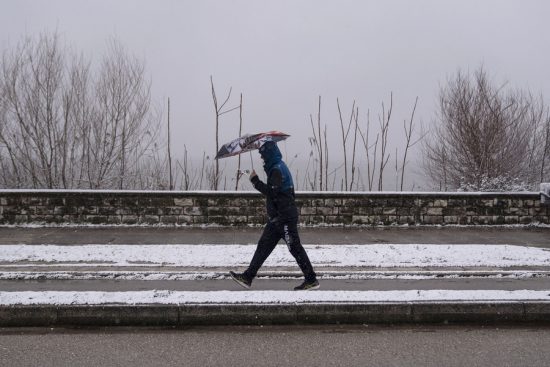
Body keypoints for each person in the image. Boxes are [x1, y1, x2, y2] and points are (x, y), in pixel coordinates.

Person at [230, 141, 319, 291]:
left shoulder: (277, 169)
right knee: (263, 247)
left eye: (263, 155)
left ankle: (311, 280)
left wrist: (255, 181)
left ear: (268, 154)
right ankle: (247, 277)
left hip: (284, 219)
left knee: (295, 248)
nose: (262, 159)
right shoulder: (277, 166)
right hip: (277, 219)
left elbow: (272, 192)